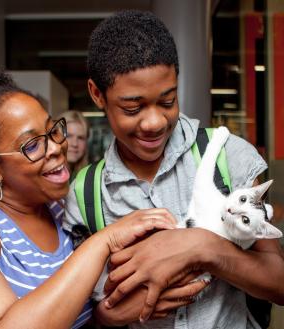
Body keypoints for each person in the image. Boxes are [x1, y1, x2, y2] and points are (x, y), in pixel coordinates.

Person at [63, 10, 284, 328]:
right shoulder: (85, 193)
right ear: (97, 94)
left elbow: (278, 284)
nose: (153, 123)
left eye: (167, 101)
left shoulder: (226, 155)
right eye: (133, 108)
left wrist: (201, 246)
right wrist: (110, 314)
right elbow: (78, 309)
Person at [0, 65, 179, 329]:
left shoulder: (63, 211)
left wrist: (109, 314)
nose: (56, 148)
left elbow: (75, 312)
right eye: (31, 145)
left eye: (52, 131)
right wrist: (102, 242)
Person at [58, 110, 90, 180]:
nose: (75, 144)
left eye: (80, 138)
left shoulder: (87, 177)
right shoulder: (46, 179)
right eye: (69, 136)